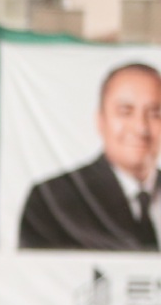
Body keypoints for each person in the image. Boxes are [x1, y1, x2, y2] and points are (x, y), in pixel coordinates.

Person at [19, 62, 161, 251]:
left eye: (155, 114)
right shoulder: (53, 200)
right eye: (125, 112)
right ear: (100, 120)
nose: (141, 128)